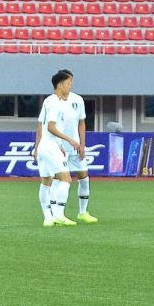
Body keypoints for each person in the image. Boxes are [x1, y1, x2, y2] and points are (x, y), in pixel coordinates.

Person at [34, 69, 97, 227]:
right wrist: (69, 141)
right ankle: (59, 215)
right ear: (60, 84)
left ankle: (49, 218)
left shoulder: (51, 101)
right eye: (69, 82)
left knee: (47, 181)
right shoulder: (55, 103)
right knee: (64, 179)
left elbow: (49, 126)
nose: (71, 85)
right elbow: (49, 127)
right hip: (52, 147)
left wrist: (70, 143)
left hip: (51, 146)